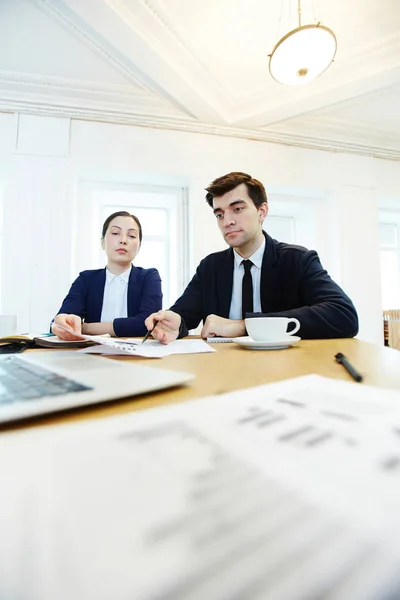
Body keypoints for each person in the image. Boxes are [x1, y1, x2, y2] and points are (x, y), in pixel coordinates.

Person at [145, 172, 358, 344]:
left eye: (237, 209)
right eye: (219, 214)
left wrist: (244, 325)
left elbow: (344, 315)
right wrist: (175, 321)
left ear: (262, 211)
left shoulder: (297, 260)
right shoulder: (211, 266)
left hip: (286, 369)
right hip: (223, 372)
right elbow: (185, 312)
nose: (227, 221)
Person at [52, 211, 162, 340]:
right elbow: (63, 323)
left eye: (132, 236)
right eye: (115, 233)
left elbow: (147, 324)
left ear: (139, 246)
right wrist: (61, 323)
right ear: (102, 242)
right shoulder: (86, 279)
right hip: (91, 354)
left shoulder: (149, 277)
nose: (123, 240)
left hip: (136, 355)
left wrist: (85, 328)